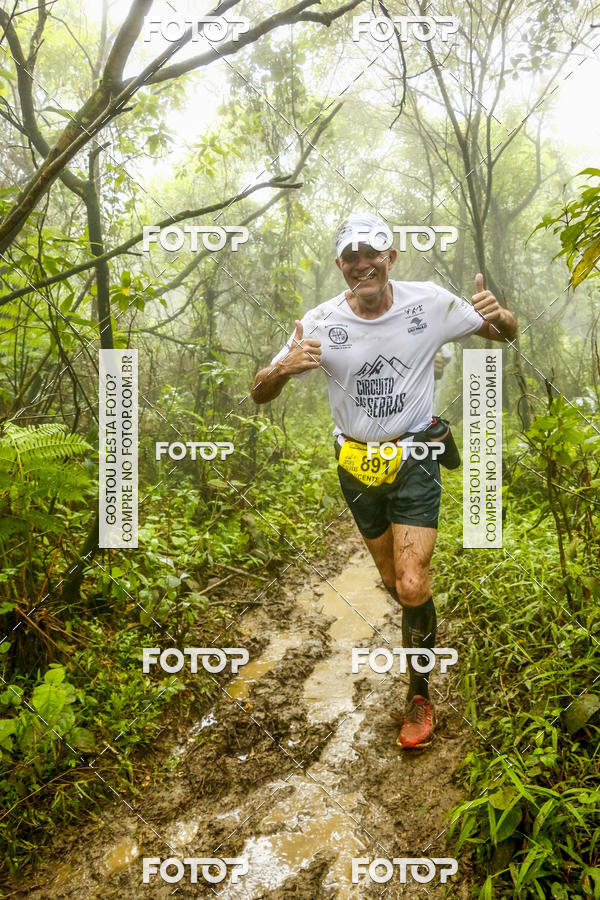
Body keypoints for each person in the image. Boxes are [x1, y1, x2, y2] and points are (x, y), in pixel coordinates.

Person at [251, 213, 517, 750]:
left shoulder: (430, 304)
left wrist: (501, 315)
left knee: (413, 581)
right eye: (350, 256)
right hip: (355, 464)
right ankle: (420, 629)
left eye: (371, 253)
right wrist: (282, 370)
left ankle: (419, 695)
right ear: (340, 266)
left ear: (390, 257)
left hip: (416, 453)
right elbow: (258, 390)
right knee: (397, 582)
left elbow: (504, 334)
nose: (361, 264)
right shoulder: (320, 321)